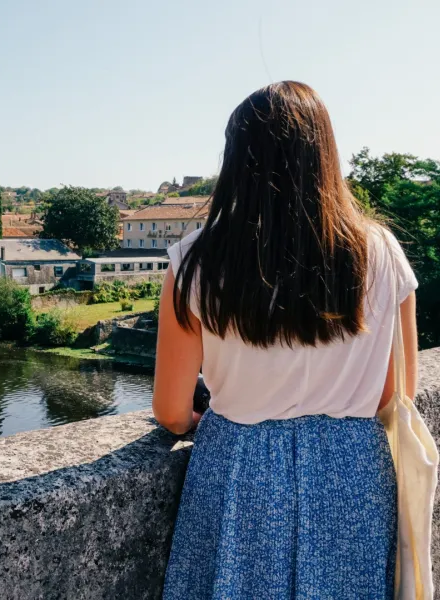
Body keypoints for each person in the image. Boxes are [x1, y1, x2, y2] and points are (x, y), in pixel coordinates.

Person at [153, 81, 418, 599]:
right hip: (352, 471)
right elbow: (392, 395)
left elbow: (170, 410)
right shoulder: (382, 253)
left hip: (239, 467)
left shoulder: (195, 262)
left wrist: (202, 418)